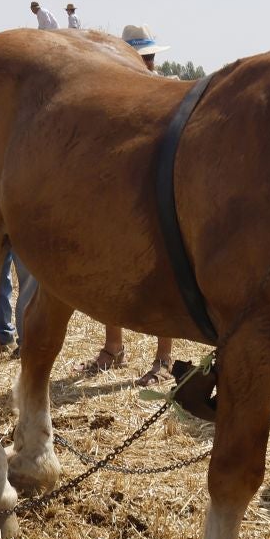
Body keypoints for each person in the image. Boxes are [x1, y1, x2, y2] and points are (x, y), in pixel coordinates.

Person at [79, 25, 177, 384]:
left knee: (165, 273)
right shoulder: (111, 95)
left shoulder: (170, 90)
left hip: (158, 196)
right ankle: (113, 348)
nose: (148, 64)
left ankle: (163, 359)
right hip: (120, 198)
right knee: (112, 270)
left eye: (150, 58)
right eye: (142, 57)